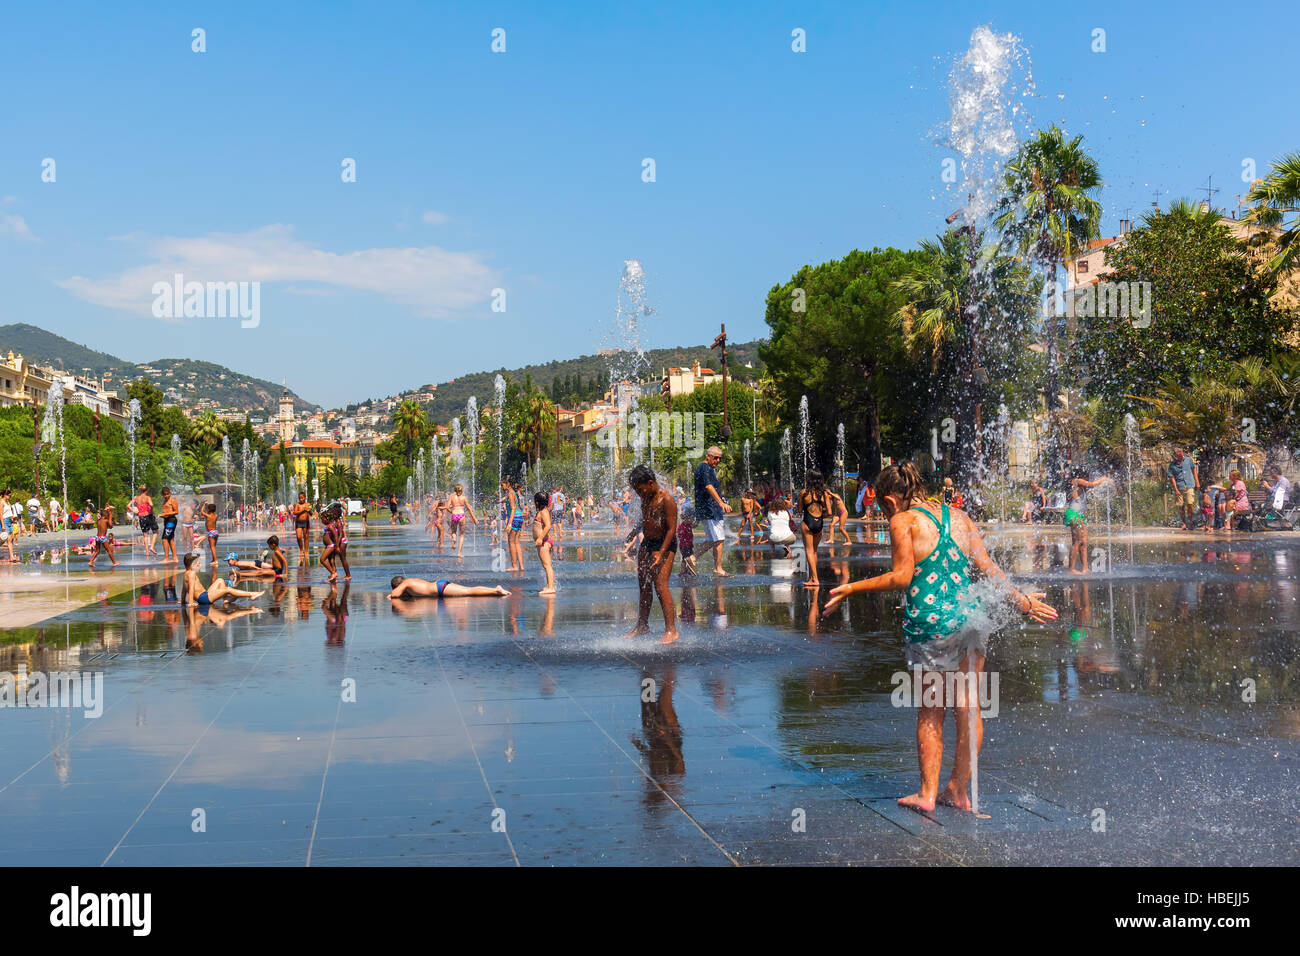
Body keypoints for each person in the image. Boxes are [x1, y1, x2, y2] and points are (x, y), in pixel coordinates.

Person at [822, 461, 1057, 814]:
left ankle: (928, 793)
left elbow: (901, 577)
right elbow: (989, 569)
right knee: (969, 705)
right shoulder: (960, 517)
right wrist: (1022, 601)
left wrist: (851, 586)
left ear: (888, 501)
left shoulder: (903, 520)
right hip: (974, 619)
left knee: (932, 711)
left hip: (934, 626)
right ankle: (958, 790)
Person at [623, 465, 678, 643]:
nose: (638, 493)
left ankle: (671, 630)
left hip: (665, 545)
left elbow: (671, 529)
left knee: (660, 586)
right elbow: (646, 518)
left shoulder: (667, 499)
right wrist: (634, 531)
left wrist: (661, 553)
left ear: (650, 483)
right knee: (644, 585)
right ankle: (642, 625)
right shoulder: (645, 497)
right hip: (647, 543)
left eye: (639, 489)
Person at [693, 446, 731, 576]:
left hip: (707, 508)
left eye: (720, 458)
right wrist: (721, 503)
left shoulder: (706, 469)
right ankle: (718, 569)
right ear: (708, 456)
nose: (718, 460)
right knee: (719, 539)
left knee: (712, 539)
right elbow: (708, 486)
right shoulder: (705, 468)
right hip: (710, 509)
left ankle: (692, 558)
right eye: (715, 457)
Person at [1064, 473, 1112, 573]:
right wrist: (1104, 478)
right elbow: (1093, 484)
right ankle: (1071, 569)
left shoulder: (1080, 486)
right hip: (1074, 515)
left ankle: (1085, 568)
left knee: (1084, 542)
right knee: (1077, 541)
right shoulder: (1077, 480)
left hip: (1078, 516)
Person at [181, 552, 264, 606]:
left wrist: (182, 601)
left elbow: (184, 589)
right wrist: (191, 603)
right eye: (198, 563)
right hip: (204, 598)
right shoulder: (192, 574)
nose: (199, 565)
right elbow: (191, 588)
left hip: (205, 595)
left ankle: (226, 599)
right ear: (192, 564)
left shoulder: (186, 573)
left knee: (220, 580)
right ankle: (252, 594)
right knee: (228, 589)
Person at [797, 469, 834, 589]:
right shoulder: (824, 494)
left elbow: (799, 509)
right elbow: (829, 512)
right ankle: (812, 577)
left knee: (808, 550)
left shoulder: (804, 492)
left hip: (808, 522)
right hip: (819, 524)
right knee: (814, 551)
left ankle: (815, 579)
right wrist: (820, 515)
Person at [388, 576, 509, 599]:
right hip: (440, 586)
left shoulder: (406, 583)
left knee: (469, 591)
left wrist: (391, 594)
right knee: (468, 590)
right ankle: (495, 590)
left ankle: (495, 590)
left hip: (440, 588)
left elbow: (395, 595)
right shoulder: (409, 582)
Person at [1168, 448, 1200, 531]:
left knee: (1190, 503)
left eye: (1182, 454)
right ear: (1176, 456)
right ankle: (1184, 523)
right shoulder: (1172, 465)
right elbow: (1172, 478)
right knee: (1181, 506)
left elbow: (1194, 470)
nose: (1181, 456)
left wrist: (1197, 482)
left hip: (1189, 485)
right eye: (1179, 455)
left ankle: (1190, 521)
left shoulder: (1188, 460)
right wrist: (1176, 490)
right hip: (1179, 486)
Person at [532, 491, 556, 594]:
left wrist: (540, 538)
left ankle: (551, 587)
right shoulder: (543, 511)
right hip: (544, 542)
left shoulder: (544, 512)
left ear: (537, 502)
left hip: (544, 542)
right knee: (546, 565)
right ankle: (548, 585)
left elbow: (548, 526)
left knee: (547, 565)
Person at [447, 484, 476, 559]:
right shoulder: (464, 498)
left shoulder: (452, 497)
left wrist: (451, 511)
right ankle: (459, 553)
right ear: (462, 490)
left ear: (454, 490)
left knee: (453, 531)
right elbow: (469, 509)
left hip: (454, 515)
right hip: (462, 516)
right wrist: (474, 519)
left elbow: (447, 507)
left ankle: (454, 540)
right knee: (462, 535)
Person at [504, 480, 525, 571]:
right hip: (519, 516)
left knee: (511, 542)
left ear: (507, 484)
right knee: (516, 542)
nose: (501, 487)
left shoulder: (510, 494)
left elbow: (512, 509)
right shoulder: (513, 493)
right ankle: (521, 565)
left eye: (502, 485)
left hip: (514, 517)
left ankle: (514, 566)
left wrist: (509, 523)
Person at [158, 487, 180, 564]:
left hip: (172, 520)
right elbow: (166, 512)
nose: (166, 496)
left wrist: (165, 514)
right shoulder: (164, 501)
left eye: (167, 494)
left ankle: (166, 558)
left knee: (164, 539)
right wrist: (162, 516)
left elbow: (176, 512)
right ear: (162, 495)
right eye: (164, 495)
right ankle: (175, 558)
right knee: (170, 539)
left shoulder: (173, 501)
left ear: (170, 493)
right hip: (167, 520)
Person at [292, 492, 313, 557]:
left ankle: (306, 551)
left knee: (306, 537)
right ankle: (301, 549)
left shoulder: (309, 504)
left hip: (306, 522)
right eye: (299, 498)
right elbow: (295, 513)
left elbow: (311, 513)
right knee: (298, 536)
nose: (301, 499)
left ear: (305, 498)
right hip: (298, 522)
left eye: (302, 498)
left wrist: (309, 510)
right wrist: (303, 510)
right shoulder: (297, 505)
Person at [201, 501, 220, 565]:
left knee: (212, 547)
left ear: (208, 509)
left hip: (211, 532)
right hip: (216, 531)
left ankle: (216, 560)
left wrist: (204, 505)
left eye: (207, 508)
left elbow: (202, 512)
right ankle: (213, 559)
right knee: (213, 546)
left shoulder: (208, 516)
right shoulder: (216, 516)